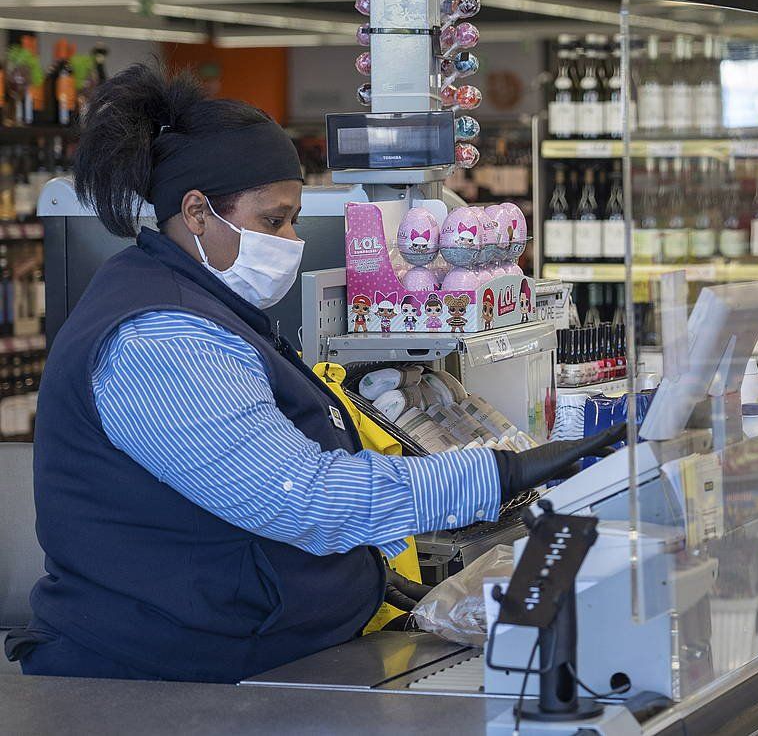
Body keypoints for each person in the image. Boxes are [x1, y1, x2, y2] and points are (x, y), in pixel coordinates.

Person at [3, 63, 623, 683]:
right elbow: (306, 498)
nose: (292, 240)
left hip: (242, 654)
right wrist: (499, 472)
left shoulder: (203, 303)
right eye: (274, 220)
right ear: (196, 212)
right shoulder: (160, 340)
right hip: (163, 685)